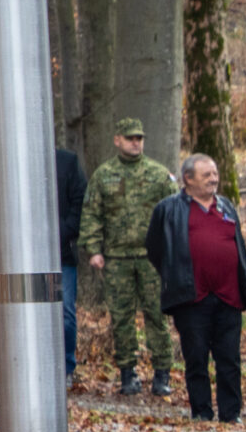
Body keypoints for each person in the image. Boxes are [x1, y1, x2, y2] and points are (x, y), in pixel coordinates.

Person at [145, 155, 246, 423]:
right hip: (192, 297)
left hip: (228, 296)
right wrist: (177, 276)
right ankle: (202, 413)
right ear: (188, 179)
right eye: (206, 175)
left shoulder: (226, 206)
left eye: (215, 173)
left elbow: (238, 246)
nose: (213, 179)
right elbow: (156, 248)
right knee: (196, 358)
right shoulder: (169, 209)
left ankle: (231, 414)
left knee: (229, 359)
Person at [87, 118, 178, 397]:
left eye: (139, 138)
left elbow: (175, 213)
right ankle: (128, 373)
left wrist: (173, 251)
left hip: (152, 258)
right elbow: (92, 213)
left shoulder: (158, 174)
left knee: (157, 314)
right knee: (122, 317)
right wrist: (93, 249)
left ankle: (162, 374)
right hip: (117, 258)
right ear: (117, 140)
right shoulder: (104, 175)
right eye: (130, 138)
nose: (135, 142)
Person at [56, 144, 87, 383]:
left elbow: (80, 204)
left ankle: (66, 366)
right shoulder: (14, 159)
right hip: (24, 254)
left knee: (65, 310)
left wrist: (60, 233)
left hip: (62, 251)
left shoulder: (68, 162)